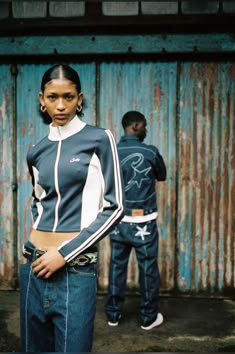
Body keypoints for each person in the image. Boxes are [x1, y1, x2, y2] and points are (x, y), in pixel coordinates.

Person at [19, 64, 124, 352]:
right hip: (34, 267)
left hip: (75, 272)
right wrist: (34, 256)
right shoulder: (36, 150)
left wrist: (64, 254)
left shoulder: (100, 139)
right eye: (53, 97)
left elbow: (115, 208)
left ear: (80, 99)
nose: (61, 105)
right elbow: (40, 203)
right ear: (42, 99)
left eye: (69, 97)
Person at [105, 110, 166, 330]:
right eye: (145, 125)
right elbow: (162, 175)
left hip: (118, 222)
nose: (146, 130)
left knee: (116, 267)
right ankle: (148, 318)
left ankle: (113, 315)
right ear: (137, 126)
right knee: (148, 268)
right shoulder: (150, 152)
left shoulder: (111, 152)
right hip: (144, 223)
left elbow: (105, 182)